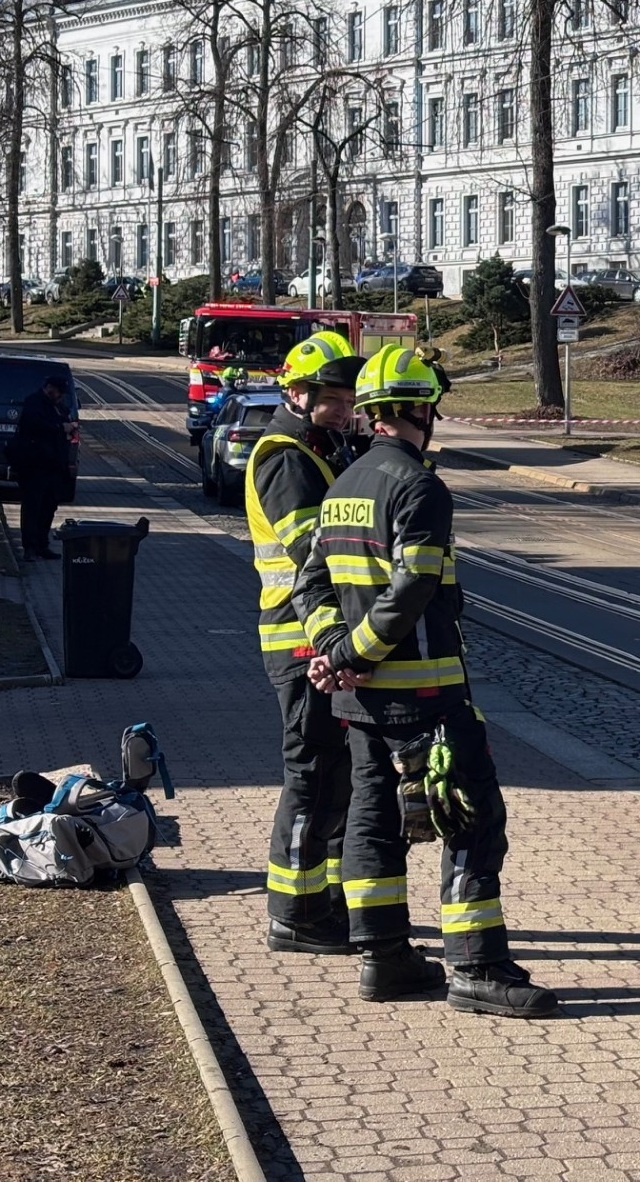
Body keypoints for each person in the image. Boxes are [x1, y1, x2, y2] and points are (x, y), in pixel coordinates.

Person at [295, 346, 557, 1018]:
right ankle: (475, 967)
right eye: (430, 406)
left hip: (360, 700)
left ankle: (384, 960)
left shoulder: (344, 485)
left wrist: (333, 649)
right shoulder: (419, 486)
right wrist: (354, 649)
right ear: (416, 408)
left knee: (374, 816)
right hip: (426, 696)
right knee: (469, 817)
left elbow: (311, 583)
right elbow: (413, 584)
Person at [253, 331, 366, 956]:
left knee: (332, 780)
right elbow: (315, 552)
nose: (346, 405)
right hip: (300, 641)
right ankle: (293, 915)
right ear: (298, 394)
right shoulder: (285, 456)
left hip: (320, 639)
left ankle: (317, 903)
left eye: (349, 395)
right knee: (313, 777)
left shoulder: (321, 449)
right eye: (335, 396)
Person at [9, 373, 71, 561]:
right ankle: (30, 547)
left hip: (54, 465)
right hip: (34, 465)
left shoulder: (57, 407)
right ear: (50, 388)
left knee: (48, 507)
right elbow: (34, 424)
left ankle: (42, 544)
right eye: (59, 393)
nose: (60, 397)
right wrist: (60, 428)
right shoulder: (34, 402)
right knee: (32, 507)